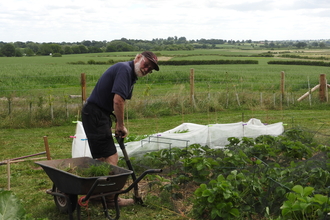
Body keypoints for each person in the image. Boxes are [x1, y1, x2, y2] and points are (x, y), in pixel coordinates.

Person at [82, 51, 159, 206]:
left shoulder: (130, 74)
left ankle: (98, 196)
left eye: (150, 69)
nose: (147, 69)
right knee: (111, 156)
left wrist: (117, 123)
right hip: (96, 114)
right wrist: (120, 125)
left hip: (98, 114)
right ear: (137, 58)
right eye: (146, 64)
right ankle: (109, 199)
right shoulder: (124, 69)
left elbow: (118, 101)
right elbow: (118, 101)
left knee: (102, 159)